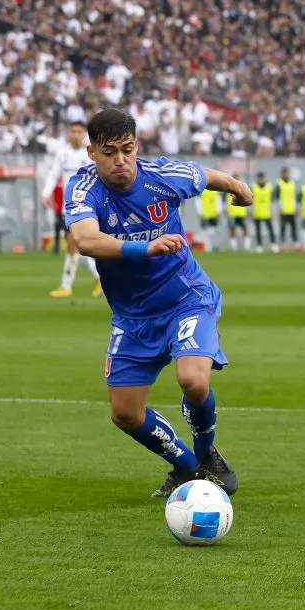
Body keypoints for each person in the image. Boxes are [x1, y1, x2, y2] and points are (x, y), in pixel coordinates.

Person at [63, 108, 252, 498]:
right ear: (91, 152)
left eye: (128, 150)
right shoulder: (83, 189)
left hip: (186, 297)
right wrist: (145, 247)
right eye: (109, 151)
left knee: (193, 380)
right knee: (125, 414)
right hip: (133, 316)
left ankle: (206, 453)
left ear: (137, 146)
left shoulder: (163, 176)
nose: (120, 161)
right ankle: (186, 466)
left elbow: (204, 175)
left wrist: (238, 187)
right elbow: (85, 240)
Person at [41, 121, 101, 297]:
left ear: (85, 134)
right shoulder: (63, 154)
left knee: (73, 244)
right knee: (75, 246)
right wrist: (46, 193)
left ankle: (67, 286)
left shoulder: (91, 153)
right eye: (73, 131)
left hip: (87, 204)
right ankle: (97, 279)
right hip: (69, 205)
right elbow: (53, 174)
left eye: (79, 132)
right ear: (68, 133)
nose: (76, 135)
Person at [275, 167, 300, 252]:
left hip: (291, 209)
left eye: (286, 173)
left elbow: (294, 197)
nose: (285, 175)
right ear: (282, 174)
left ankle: (296, 244)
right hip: (283, 210)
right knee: (283, 228)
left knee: (293, 227)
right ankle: (283, 243)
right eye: (284, 173)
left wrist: (296, 208)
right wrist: (280, 207)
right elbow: (277, 198)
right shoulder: (279, 183)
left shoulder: (292, 183)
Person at [227, 173, 251, 252]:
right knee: (232, 230)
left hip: (242, 213)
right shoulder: (227, 189)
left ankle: (247, 247)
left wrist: (248, 212)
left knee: (245, 229)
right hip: (232, 213)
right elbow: (224, 202)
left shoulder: (243, 189)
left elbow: (248, 200)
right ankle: (234, 247)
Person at [252, 172, 275, 253]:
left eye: (262, 178)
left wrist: (272, 211)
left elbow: (272, 201)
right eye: (259, 178)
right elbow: (251, 200)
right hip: (257, 212)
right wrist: (251, 212)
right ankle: (259, 246)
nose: (261, 180)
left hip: (267, 212)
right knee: (258, 230)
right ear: (257, 179)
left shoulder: (269, 187)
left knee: (270, 229)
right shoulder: (254, 188)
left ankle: (273, 245)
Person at [199, 186, 221, 251]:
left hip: (213, 214)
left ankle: (215, 245)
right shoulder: (202, 190)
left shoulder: (215, 191)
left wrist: (218, 210)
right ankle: (208, 246)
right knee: (205, 230)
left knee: (214, 230)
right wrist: (200, 212)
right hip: (205, 214)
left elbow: (218, 200)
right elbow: (198, 201)